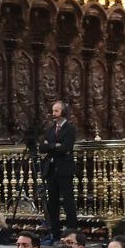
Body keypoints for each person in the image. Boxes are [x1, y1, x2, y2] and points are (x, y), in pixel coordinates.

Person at [41, 100, 78, 236]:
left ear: (63, 112)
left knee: (68, 201)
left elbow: (65, 148)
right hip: (51, 169)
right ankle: (55, 233)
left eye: (56, 111)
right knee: (53, 202)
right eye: (53, 111)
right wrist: (54, 145)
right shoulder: (50, 129)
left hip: (64, 169)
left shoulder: (69, 129)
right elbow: (42, 147)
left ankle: (71, 232)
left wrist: (50, 145)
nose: (53, 113)